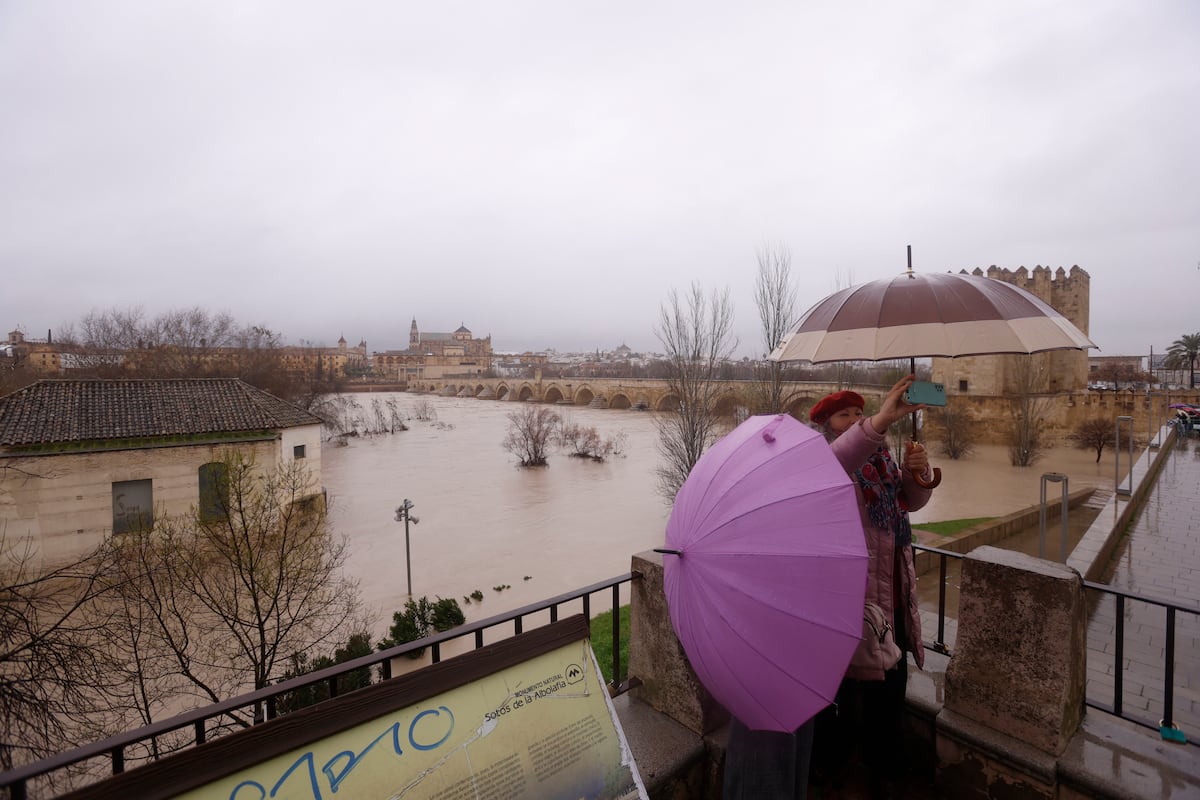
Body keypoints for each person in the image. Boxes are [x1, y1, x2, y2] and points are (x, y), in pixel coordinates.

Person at [809, 376, 935, 799]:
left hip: (891, 590)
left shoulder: (880, 461)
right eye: (844, 415)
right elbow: (839, 460)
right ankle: (833, 764)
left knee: (890, 688)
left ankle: (885, 766)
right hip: (850, 599)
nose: (855, 419)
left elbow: (907, 505)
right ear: (827, 424)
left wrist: (918, 477)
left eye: (859, 413)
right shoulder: (823, 461)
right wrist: (881, 419)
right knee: (841, 691)